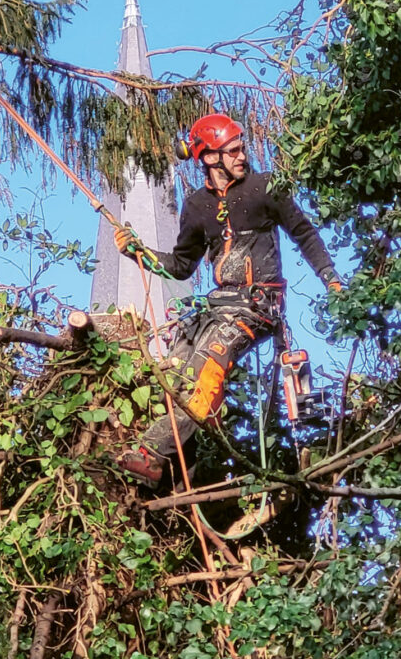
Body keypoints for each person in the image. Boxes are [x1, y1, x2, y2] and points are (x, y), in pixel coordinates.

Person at [113, 112, 341, 486]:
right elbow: (183, 265)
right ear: (208, 157)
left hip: (256, 308)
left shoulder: (265, 187)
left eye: (241, 149)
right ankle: (182, 463)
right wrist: (140, 253)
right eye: (232, 151)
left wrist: (331, 279)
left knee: (208, 371)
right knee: (174, 369)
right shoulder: (197, 206)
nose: (241, 156)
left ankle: (151, 455)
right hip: (217, 306)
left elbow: (305, 234)